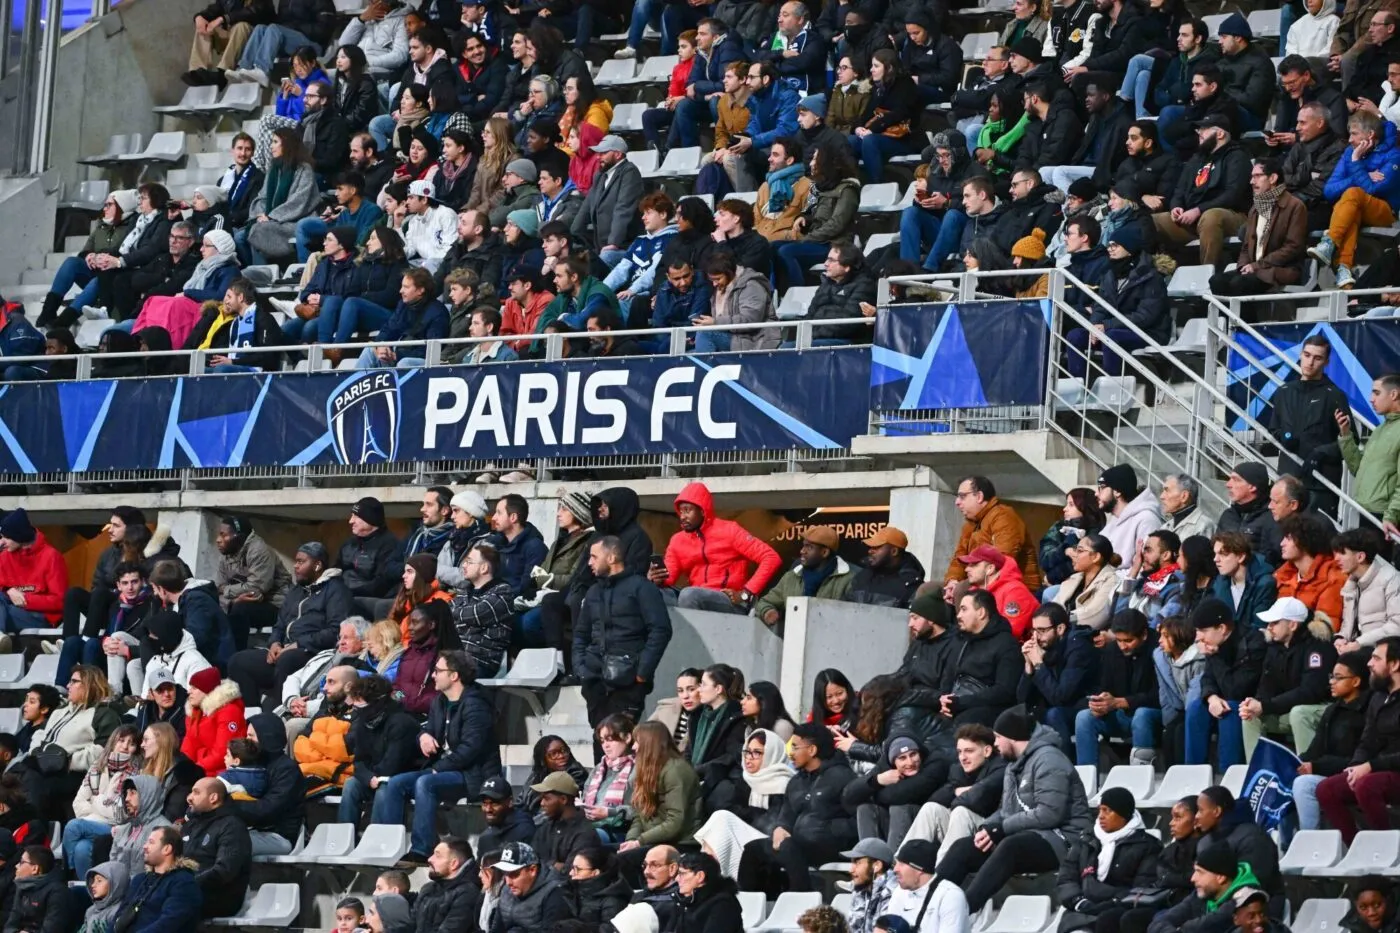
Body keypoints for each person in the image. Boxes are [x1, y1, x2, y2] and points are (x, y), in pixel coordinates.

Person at [934, 706, 1093, 914]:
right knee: (965, 847)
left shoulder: (1049, 760)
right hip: (1032, 835)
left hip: (1065, 839)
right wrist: (989, 827)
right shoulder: (1013, 765)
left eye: (998, 737)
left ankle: (960, 913)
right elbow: (1006, 810)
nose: (996, 743)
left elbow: (1049, 814)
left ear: (1013, 737)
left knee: (1011, 846)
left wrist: (1001, 828)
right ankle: (929, 908)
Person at [372, 650, 500, 862]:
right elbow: (429, 730)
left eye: (438, 671)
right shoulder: (439, 702)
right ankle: (389, 846)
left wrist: (437, 768)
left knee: (425, 783)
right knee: (395, 784)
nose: (433, 675)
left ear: (454, 675)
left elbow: (470, 749)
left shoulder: (476, 705)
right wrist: (423, 736)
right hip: (444, 768)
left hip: (473, 774)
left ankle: (422, 849)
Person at [227, 542, 353, 708]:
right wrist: (274, 643)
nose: (295, 566)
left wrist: (298, 644)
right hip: (284, 650)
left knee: (287, 660)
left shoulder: (336, 590)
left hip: (312, 653)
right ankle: (252, 716)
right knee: (238, 661)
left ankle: (279, 715)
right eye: (296, 561)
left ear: (317, 565)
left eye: (301, 562)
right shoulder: (296, 591)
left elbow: (335, 630)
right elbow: (280, 624)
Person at [573, 535, 672, 735]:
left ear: (611, 558)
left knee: (622, 741)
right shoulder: (592, 592)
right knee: (600, 740)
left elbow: (661, 630)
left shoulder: (642, 587)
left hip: (629, 681)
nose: (589, 562)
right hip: (594, 681)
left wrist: (642, 673)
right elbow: (581, 634)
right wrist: (581, 668)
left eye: (594, 557)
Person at [648, 481, 782, 614]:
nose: (682, 517)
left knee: (688, 595)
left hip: (728, 600)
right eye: (680, 511)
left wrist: (745, 594)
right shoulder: (677, 540)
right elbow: (669, 578)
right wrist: (656, 578)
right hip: (694, 598)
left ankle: (690, 635)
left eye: (687, 511)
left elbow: (771, 557)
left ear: (702, 510)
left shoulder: (730, 530)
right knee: (647, 592)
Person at [1316, 636, 1400, 842]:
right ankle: (1355, 846)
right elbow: (1367, 740)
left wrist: (1371, 766)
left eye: (1376, 658)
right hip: (1380, 771)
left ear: (1395, 664)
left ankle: (1385, 847)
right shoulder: (1379, 697)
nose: (1369, 663)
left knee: (1367, 785)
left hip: (1393, 771)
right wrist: (1354, 767)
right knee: (1327, 789)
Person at [1149, 114, 1250, 267]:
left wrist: (1198, 210)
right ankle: (1161, 273)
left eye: (1205, 129)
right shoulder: (1197, 158)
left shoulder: (1237, 157)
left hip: (1232, 216)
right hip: (1193, 219)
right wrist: (1176, 206)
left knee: (1211, 216)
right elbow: (1179, 189)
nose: (1199, 133)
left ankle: (1207, 274)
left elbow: (1232, 195)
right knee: (1152, 221)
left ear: (1220, 134)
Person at [1186, 598, 1266, 769]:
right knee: (1196, 708)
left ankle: (1227, 774)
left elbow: (1236, 690)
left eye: (1203, 631)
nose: (1198, 637)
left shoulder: (1253, 642)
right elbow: (1207, 678)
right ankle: (1192, 772)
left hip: (1250, 701)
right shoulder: (1214, 643)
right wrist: (1211, 697)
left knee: (1229, 709)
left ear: (1221, 628)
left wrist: (1215, 656)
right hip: (1223, 698)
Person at [1077, 609, 1161, 766]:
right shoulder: (1111, 650)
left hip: (1153, 716)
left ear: (1143, 635)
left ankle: (1141, 780)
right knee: (1084, 717)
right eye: (1119, 640)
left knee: (1142, 715)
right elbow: (1105, 687)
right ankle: (1086, 783)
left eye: (1128, 641)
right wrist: (1101, 702)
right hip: (1121, 715)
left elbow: (1160, 696)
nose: (1123, 646)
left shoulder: (1159, 649)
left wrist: (1121, 702)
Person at [843, 734, 950, 854]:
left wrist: (875, 792)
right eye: (902, 758)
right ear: (893, 762)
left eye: (913, 754)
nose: (910, 762)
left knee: (899, 807)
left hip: (930, 827)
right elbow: (848, 795)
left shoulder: (936, 761)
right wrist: (877, 780)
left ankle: (892, 866)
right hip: (903, 827)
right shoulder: (885, 764)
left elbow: (905, 794)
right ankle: (870, 861)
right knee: (866, 808)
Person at [64, 724, 141, 880]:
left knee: (73, 826)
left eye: (131, 743)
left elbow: (120, 814)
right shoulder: (97, 767)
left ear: (137, 749)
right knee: (81, 848)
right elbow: (78, 803)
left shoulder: (135, 773)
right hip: (93, 824)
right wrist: (103, 806)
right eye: (121, 740)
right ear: (113, 742)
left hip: (120, 829)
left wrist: (96, 801)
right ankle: (89, 892)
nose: (125, 746)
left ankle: (67, 873)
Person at [943, 476, 1042, 596]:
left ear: (979, 496)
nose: (957, 502)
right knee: (931, 590)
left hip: (1016, 587)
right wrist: (953, 580)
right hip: (980, 580)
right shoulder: (969, 525)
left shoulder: (1003, 516)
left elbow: (1002, 559)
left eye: (962, 496)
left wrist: (966, 582)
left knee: (961, 590)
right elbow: (959, 558)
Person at [1016, 602, 1097, 747]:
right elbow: (1022, 700)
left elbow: (1061, 697)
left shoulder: (1078, 647)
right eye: (1034, 631)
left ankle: (1065, 765)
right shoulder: (1045, 647)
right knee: (1019, 716)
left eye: (1042, 630)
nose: (1036, 637)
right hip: (1057, 707)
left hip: (1083, 708)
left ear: (1060, 629)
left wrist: (1039, 665)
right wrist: (1029, 667)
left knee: (1053, 714)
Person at [213, 516, 291, 654]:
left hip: (275, 604)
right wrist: (232, 599)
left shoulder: (259, 551)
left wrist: (227, 594)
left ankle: (235, 656)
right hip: (241, 601)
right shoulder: (226, 554)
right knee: (210, 604)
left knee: (239, 610)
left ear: (239, 537)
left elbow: (256, 590)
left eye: (224, 535)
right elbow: (218, 587)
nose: (218, 540)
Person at [1338, 374, 1400, 537]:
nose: (1371, 399)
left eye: (1376, 393)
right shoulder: (1380, 429)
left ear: (1393, 395)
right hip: (1365, 512)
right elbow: (1357, 468)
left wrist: (1391, 516)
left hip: (1385, 519)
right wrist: (1345, 436)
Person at [180, 777, 252, 919]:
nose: (189, 798)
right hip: (187, 890)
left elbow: (224, 870)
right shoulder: (191, 824)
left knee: (170, 905)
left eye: (196, 793)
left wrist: (186, 885)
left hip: (219, 896)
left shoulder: (232, 826)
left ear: (213, 798)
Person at [570, 135, 644, 267]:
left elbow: (623, 209)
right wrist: (574, 233)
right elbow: (587, 205)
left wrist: (613, 243)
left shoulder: (629, 172)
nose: (599, 157)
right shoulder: (600, 174)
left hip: (623, 245)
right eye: (598, 153)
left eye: (604, 153)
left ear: (617, 154)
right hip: (601, 244)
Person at [755, 527, 853, 625]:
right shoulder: (791, 577)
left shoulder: (847, 580)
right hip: (795, 637)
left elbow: (854, 616)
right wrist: (768, 612)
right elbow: (765, 602)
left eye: (809, 547)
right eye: (803, 546)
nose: (802, 551)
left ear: (824, 552)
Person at [117, 827, 203, 932]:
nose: (144, 846)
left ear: (167, 849)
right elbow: (119, 916)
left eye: (151, 842)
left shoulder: (184, 883)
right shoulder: (139, 880)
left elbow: (168, 924)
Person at [449, 544, 514, 678]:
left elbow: (476, 614)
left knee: (445, 680)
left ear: (484, 568)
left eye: (469, 562)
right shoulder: (464, 592)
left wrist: (459, 619)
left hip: (481, 662)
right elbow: (449, 615)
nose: (464, 566)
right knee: (408, 685)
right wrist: (469, 624)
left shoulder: (502, 592)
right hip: (455, 659)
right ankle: (398, 696)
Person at [0, 509, 67, 635]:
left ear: (18, 535)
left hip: (41, 617)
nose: (1, 542)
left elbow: (60, 601)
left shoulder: (51, 556)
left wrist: (25, 599)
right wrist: (8, 590)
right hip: (9, 611)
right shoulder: (4, 557)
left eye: (6, 537)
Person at [1336, 527, 1400, 652]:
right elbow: (1348, 625)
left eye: (1342, 553)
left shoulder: (1392, 579)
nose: (1336, 558)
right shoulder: (1351, 584)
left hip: (1383, 651)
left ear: (1360, 557)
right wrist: (1342, 638)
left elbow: (1397, 626)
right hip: (1359, 648)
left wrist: (1359, 643)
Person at [1053, 534, 1121, 632]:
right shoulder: (1075, 578)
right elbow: (1055, 606)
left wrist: (1058, 622)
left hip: (1086, 637)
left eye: (1080, 551)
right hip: (1062, 631)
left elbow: (1095, 615)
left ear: (1096, 557)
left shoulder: (1111, 581)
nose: (1074, 555)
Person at [415, 836, 482, 931]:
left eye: (437, 856)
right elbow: (410, 924)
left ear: (454, 864)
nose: (430, 859)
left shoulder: (468, 893)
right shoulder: (428, 888)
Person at [6, 846, 78, 933]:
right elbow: (10, 925)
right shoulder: (22, 887)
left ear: (35, 869)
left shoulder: (58, 892)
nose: (16, 866)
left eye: (21, 862)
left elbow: (53, 929)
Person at [850, 528, 926, 609]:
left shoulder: (912, 585)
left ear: (894, 551)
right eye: (871, 547)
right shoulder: (862, 577)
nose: (870, 551)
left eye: (877, 547)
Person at [477, 775, 537, 859]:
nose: (488, 809)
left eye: (494, 803)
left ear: (510, 802)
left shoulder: (526, 831)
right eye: (484, 803)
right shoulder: (485, 838)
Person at [79, 859, 132, 933]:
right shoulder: (90, 911)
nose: (93, 885)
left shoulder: (119, 912)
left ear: (115, 883)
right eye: (93, 881)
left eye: (99, 881)